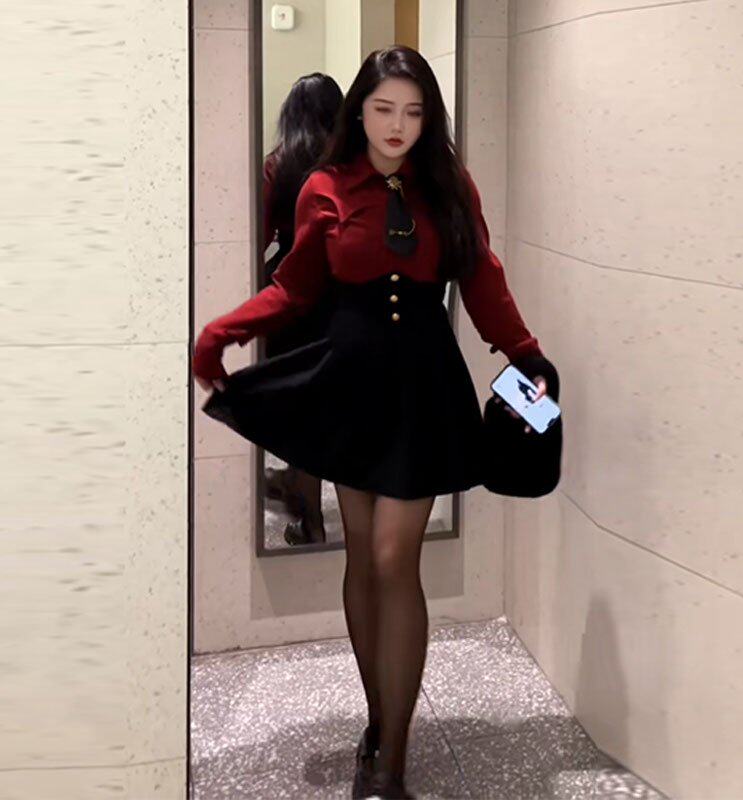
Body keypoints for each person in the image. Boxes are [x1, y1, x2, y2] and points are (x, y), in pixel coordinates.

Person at [193, 45, 555, 800]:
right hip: (349, 384)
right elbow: (294, 288)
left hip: (424, 387)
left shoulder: (448, 185)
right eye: (385, 108)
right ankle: (380, 717)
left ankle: (389, 761)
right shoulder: (323, 187)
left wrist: (524, 351)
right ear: (359, 110)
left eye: (414, 112)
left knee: (394, 558)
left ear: (429, 118)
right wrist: (223, 331)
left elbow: (482, 276)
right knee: (362, 556)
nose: (398, 125)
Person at [260, 73, 343, 546]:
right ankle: (298, 487)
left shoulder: (278, 166)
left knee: (297, 406)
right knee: (327, 406)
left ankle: (309, 519)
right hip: (344, 294)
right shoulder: (353, 166)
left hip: (291, 296)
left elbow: (258, 236)